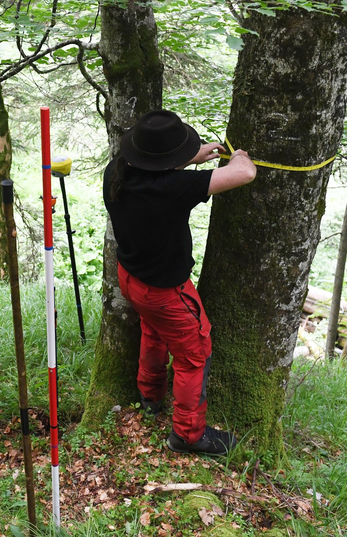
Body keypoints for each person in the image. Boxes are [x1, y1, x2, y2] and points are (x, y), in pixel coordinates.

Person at [103, 110, 256, 455]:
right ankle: (188, 435)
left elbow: (157, 171)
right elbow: (244, 172)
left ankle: (150, 395)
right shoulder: (173, 189)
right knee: (194, 355)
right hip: (166, 293)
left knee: (153, 332)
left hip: (131, 278)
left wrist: (193, 155)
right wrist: (242, 156)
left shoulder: (118, 170)